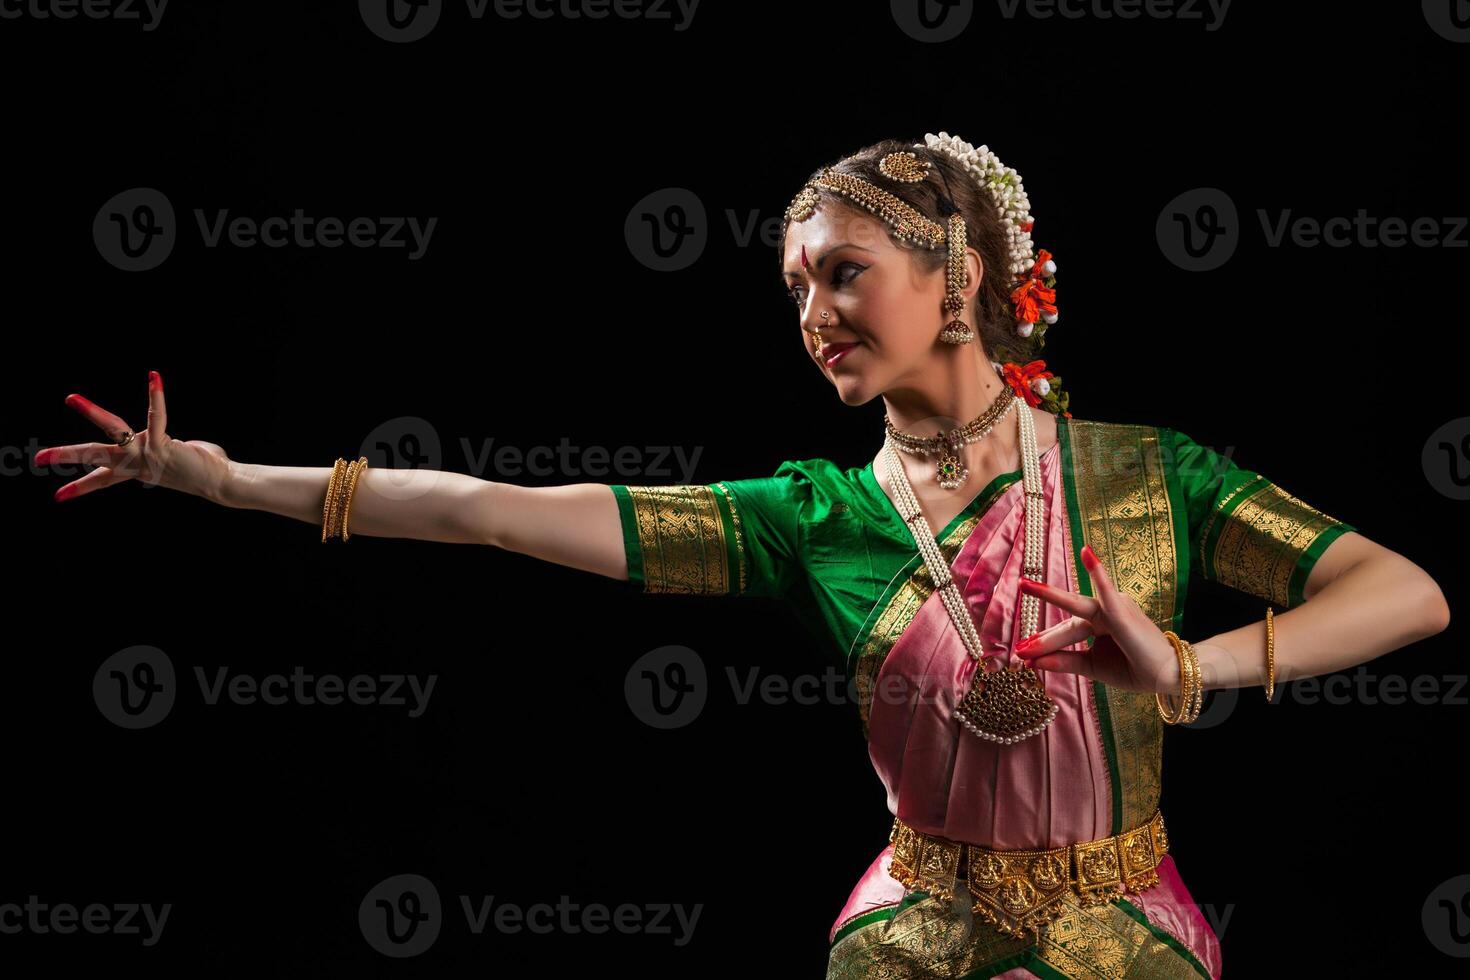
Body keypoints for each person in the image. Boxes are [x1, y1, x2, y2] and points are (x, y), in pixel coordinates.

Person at [37, 133, 1450, 979]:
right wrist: (218, 481)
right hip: (906, 941)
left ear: (957, 276)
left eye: (843, 272)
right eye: (793, 287)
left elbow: (1406, 592)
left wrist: (1197, 663)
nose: (813, 311)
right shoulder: (806, 518)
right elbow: (484, 508)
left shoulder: (1147, 478)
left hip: (1123, 939)